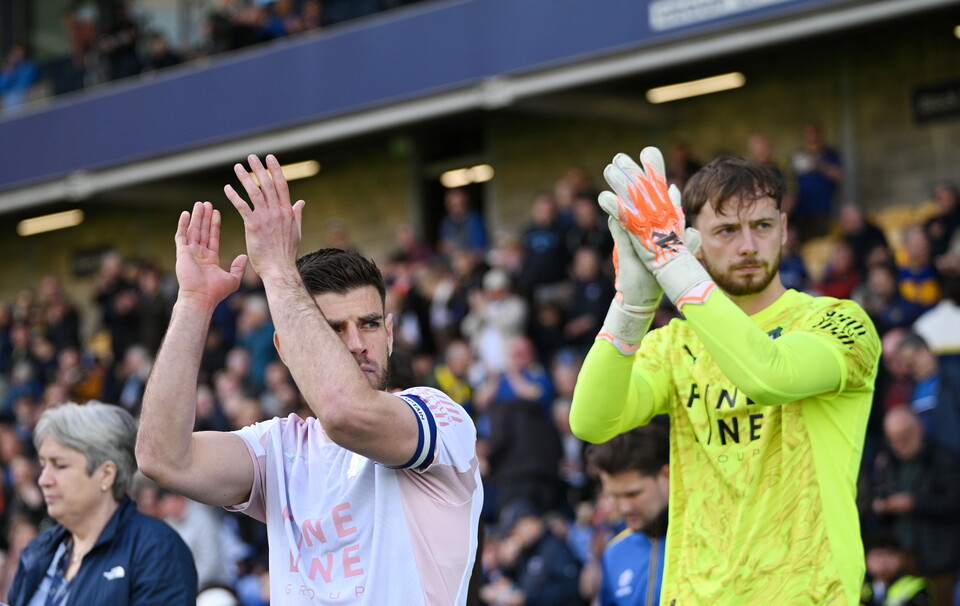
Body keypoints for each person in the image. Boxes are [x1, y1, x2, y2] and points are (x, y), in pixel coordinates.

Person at [136, 154, 482, 605]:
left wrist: (278, 269)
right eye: (333, 329)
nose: (358, 342)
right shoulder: (283, 448)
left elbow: (345, 412)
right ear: (286, 349)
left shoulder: (439, 417)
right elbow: (162, 457)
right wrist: (194, 303)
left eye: (371, 324)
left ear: (391, 334)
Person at [570, 148, 881, 604]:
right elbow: (591, 422)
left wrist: (675, 266)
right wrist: (631, 307)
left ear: (785, 230)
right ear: (693, 238)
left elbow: (767, 374)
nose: (748, 246)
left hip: (808, 592)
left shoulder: (839, 321)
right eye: (726, 231)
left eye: (762, 226)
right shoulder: (676, 344)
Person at [9, 402, 197, 605]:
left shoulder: (157, 550)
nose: (43, 480)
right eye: (44, 466)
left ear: (106, 474)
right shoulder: (39, 550)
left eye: (60, 465)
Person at [868, 406, 960, 606]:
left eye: (904, 435)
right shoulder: (886, 462)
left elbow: (954, 503)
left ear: (919, 428)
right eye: (893, 438)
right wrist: (881, 507)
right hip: (900, 557)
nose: (899, 443)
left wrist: (915, 503)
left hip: (939, 560)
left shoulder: (944, 459)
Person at [585, 424, 669, 606]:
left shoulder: (712, 538)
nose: (624, 508)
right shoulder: (614, 553)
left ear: (666, 475)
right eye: (613, 496)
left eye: (633, 494)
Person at [860, 533, 930, 606]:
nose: (884, 561)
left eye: (890, 554)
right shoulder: (862, 590)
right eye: (878, 554)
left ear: (902, 557)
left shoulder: (915, 586)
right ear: (866, 559)